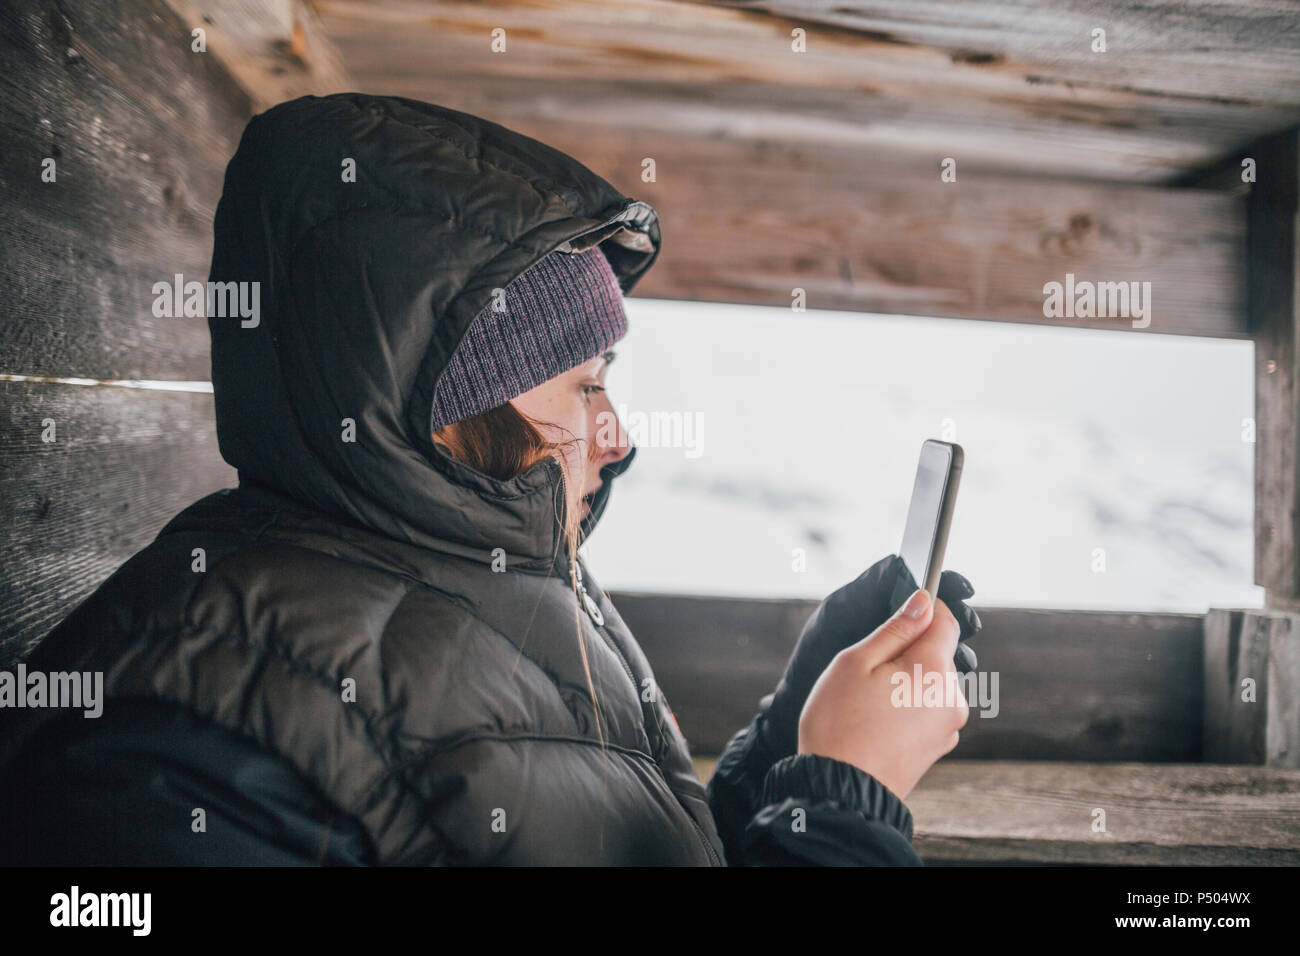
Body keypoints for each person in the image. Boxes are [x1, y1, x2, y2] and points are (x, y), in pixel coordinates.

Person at [0, 92, 980, 866]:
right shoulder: (181, 745)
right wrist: (849, 805)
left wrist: (793, 732)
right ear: (435, 400)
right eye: (582, 384)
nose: (620, 434)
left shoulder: (484, 570)